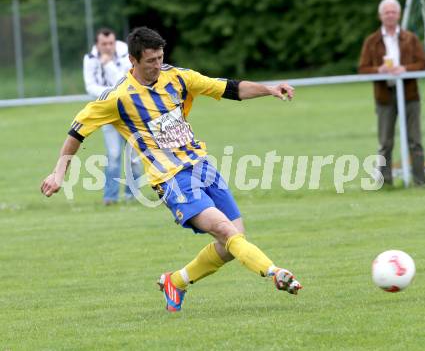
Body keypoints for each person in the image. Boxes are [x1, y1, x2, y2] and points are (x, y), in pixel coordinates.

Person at [41, 26, 302, 312]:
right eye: (150, 61)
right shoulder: (118, 97)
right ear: (133, 60)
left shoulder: (178, 77)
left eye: (160, 58)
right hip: (171, 178)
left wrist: (269, 89)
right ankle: (275, 273)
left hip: (201, 165)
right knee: (227, 233)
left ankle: (176, 281)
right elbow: (77, 132)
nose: (157, 66)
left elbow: (228, 88)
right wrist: (58, 172)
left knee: (232, 243)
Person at [359, 0, 425, 186]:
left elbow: (423, 64)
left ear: (398, 15)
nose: (390, 15)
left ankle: (420, 181)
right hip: (384, 96)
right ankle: (384, 182)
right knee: (385, 143)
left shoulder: (411, 39)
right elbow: (362, 68)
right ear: (380, 15)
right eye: (386, 12)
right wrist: (378, 70)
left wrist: (405, 69)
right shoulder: (372, 41)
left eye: (393, 12)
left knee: (415, 140)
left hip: (409, 95)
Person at [83, 27, 142, 205]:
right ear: (97, 44)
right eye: (104, 44)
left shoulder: (127, 54)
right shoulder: (90, 59)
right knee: (114, 155)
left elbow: (123, 81)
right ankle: (110, 197)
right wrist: (111, 94)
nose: (108, 47)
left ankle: (132, 195)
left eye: (111, 43)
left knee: (134, 157)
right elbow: (90, 86)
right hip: (108, 112)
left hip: (130, 111)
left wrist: (108, 64)